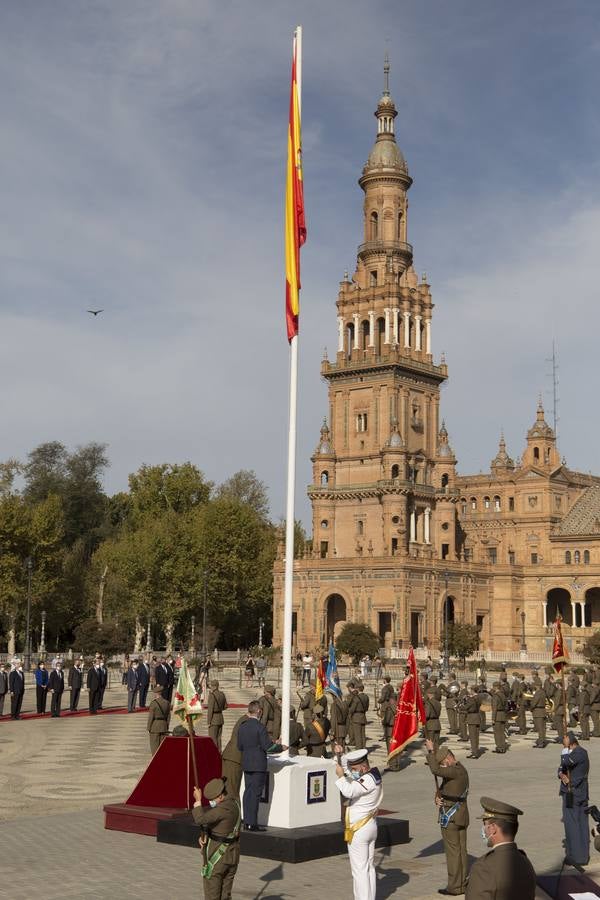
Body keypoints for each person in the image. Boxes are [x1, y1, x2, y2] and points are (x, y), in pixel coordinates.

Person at [333, 745, 382, 900]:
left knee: (359, 870)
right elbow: (353, 777)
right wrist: (339, 756)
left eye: (354, 768)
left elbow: (349, 791)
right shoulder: (372, 775)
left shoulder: (366, 780)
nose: (352, 771)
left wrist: (340, 777)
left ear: (363, 766)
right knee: (368, 868)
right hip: (369, 825)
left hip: (359, 829)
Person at [465, 796, 536, 899]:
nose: (483, 829)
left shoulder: (483, 868)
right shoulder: (525, 862)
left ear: (493, 828)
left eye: (485, 824)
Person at [425, 739, 469, 896]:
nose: (443, 767)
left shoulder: (454, 771)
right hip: (461, 815)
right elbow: (446, 788)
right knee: (461, 851)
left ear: (449, 759)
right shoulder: (460, 769)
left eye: (443, 763)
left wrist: (431, 752)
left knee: (453, 853)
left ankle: (454, 886)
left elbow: (435, 771)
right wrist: (437, 797)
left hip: (451, 817)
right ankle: (463, 883)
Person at [192, 777, 241, 900]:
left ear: (220, 796)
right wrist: (206, 834)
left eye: (212, 800)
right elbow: (221, 826)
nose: (211, 803)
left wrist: (198, 801)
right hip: (233, 854)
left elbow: (201, 819)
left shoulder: (221, 809)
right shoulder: (234, 803)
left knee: (212, 894)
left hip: (218, 857)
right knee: (225, 895)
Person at [237, 700, 282, 831]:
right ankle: (252, 823)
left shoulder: (242, 726)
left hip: (246, 763)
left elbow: (239, 746)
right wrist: (281, 747)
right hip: (258, 764)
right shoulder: (260, 727)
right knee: (255, 794)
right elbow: (268, 747)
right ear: (259, 711)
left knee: (247, 793)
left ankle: (246, 821)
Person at [558, 731, 590, 867]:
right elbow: (561, 767)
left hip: (574, 793)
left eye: (564, 740)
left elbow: (566, 762)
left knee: (573, 825)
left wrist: (566, 749)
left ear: (571, 741)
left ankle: (577, 857)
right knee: (579, 823)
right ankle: (581, 855)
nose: (562, 742)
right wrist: (561, 774)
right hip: (575, 792)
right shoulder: (574, 753)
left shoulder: (579, 753)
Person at [221, 712, 249, 798]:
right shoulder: (246, 722)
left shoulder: (244, 719)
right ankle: (230, 810)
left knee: (229, 789)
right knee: (231, 791)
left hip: (232, 757)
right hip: (234, 758)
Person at [147, 684, 171, 754]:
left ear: (156, 693)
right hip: (163, 726)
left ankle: (155, 761)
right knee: (162, 747)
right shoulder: (167, 703)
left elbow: (151, 716)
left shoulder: (153, 703)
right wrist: (166, 725)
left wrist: (148, 728)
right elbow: (168, 716)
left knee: (154, 747)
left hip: (155, 727)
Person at [207, 680, 228, 751]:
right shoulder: (222, 694)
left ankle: (214, 753)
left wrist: (208, 721)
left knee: (213, 738)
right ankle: (219, 753)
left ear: (213, 686)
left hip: (213, 719)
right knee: (219, 738)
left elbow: (210, 709)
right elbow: (226, 706)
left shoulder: (212, 695)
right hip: (220, 718)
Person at [348, 682, 369, 750]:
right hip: (363, 716)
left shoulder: (356, 698)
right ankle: (363, 747)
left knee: (357, 734)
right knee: (363, 734)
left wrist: (348, 712)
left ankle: (359, 749)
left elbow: (352, 709)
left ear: (357, 689)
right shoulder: (366, 697)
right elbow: (367, 708)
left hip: (356, 717)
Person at [491, 682, 508, 754]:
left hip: (497, 715)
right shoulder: (503, 695)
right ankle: (503, 747)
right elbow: (506, 706)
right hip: (503, 715)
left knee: (497, 733)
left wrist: (493, 718)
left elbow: (494, 708)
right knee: (502, 732)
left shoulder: (495, 696)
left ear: (495, 687)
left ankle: (499, 747)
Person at [465, 687, 481, 759]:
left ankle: (474, 753)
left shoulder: (472, 699)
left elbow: (466, 707)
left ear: (472, 690)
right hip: (477, 717)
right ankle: (476, 751)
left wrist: (467, 699)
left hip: (472, 718)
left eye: (470, 690)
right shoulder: (478, 697)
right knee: (476, 736)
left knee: (473, 737)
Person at [530, 684, 548, 748]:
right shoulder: (543, 692)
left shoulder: (538, 693)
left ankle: (541, 743)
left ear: (537, 686)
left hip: (538, 711)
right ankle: (543, 740)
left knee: (540, 728)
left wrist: (531, 708)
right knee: (543, 728)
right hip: (542, 711)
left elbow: (534, 702)